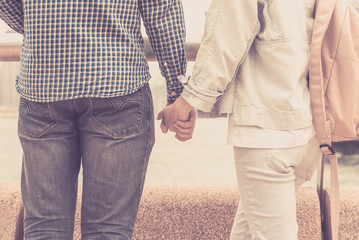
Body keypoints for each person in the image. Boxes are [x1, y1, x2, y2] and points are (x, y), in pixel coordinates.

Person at [0, 0, 186, 239]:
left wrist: (46, 26)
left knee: (45, 227)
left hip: (43, 86)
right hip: (117, 83)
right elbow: (161, 9)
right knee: (107, 230)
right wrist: (177, 92)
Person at [158, 0, 321, 239]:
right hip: (308, 126)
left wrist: (186, 101)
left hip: (267, 124)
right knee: (247, 231)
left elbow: (227, 32)